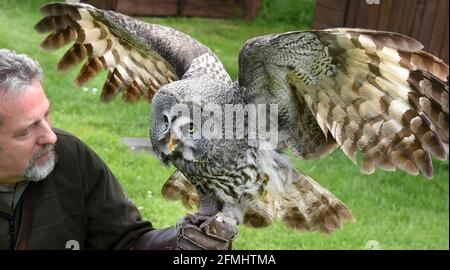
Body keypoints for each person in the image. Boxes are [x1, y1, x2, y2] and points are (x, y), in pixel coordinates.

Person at [0, 48, 237, 250]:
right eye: (26, 131)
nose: (50, 136)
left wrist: (179, 243)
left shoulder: (69, 156)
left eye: (46, 115)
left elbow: (125, 241)